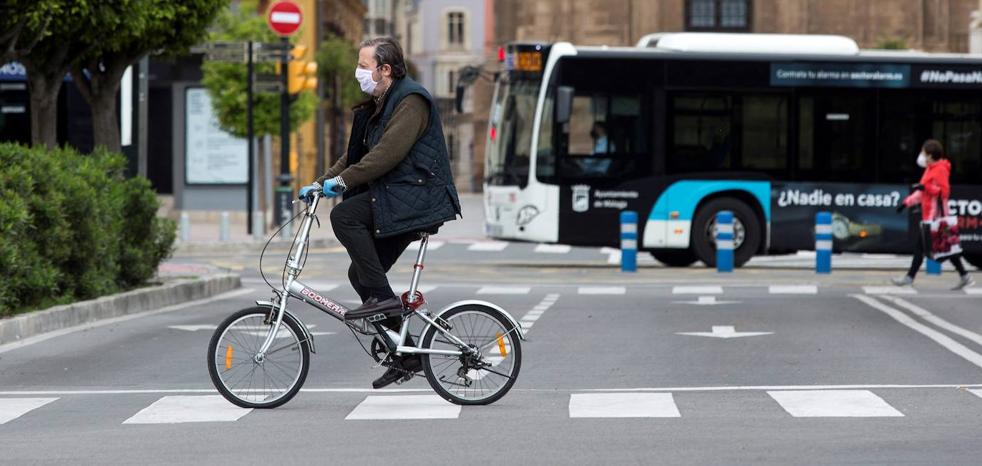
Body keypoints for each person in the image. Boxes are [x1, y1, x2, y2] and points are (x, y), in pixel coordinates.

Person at [297, 37, 462, 388]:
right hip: (397, 196)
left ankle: (384, 301)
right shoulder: (380, 103)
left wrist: (341, 184)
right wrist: (320, 182)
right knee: (362, 277)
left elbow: (387, 154)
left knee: (345, 216)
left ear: (385, 69)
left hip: (418, 197)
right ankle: (407, 354)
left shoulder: (411, 101)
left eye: (363, 65)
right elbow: (355, 156)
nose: (359, 72)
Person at [892, 139, 974, 290]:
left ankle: (909, 278)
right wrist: (906, 203)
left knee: (935, 248)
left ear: (930, 155)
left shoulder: (940, 169)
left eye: (923, 153)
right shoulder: (929, 169)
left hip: (938, 217)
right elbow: (921, 192)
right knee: (946, 248)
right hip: (928, 216)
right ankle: (964, 276)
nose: (921, 156)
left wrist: (927, 187)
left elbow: (944, 192)